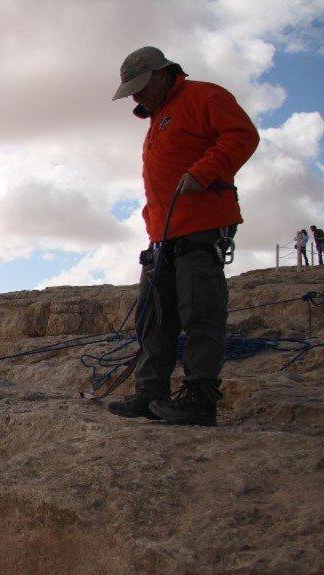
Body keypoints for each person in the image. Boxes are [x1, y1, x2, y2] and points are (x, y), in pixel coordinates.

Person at [107, 46, 259, 427]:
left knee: (200, 313)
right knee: (154, 317)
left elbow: (243, 136)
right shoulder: (157, 117)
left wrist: (204, 171)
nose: (137, 97)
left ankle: (200, 397)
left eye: (141, 87)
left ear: (163, 73)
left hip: (201, 229)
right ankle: (150, 391)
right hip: (163, 236)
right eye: (132, 91)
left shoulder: (205, 96)